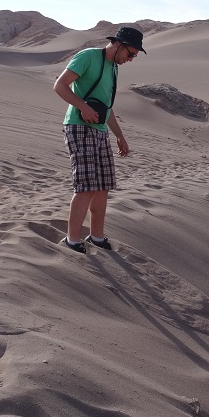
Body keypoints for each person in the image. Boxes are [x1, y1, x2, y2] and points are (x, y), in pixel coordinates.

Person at [52, 26, 146, 253]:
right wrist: (82, 107)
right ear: (118, 44)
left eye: (134, 55)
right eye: (130, 53)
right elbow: (60, 86)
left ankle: (97, 236)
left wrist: (120, 135)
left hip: (100, 130)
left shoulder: (114, 68)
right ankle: (73, 240)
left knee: (102, 186)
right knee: (86, 186)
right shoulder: (88, 57)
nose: (130, 59)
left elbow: (107, 107)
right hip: (78, 126)